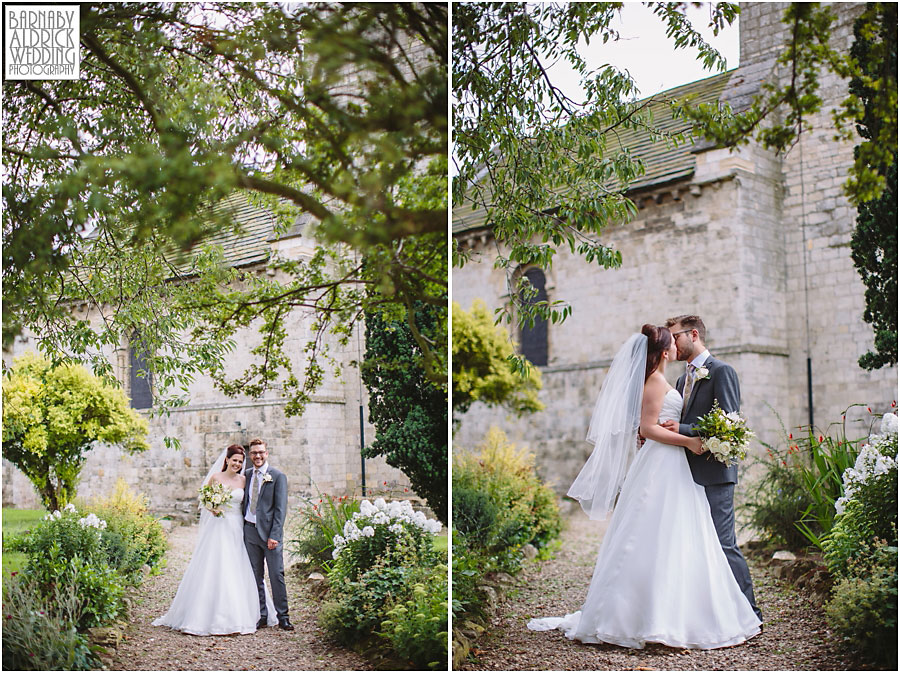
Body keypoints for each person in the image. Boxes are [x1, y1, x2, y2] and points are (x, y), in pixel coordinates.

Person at [528, 325, 760, 649]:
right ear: (665, 351)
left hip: (675, 465)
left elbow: (667, 423)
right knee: (652, 535)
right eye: (672, 341)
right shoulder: (656, 381)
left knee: (676, 537)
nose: (677, 345)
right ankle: (639, 618)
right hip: (664, 462)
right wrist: (690, 441)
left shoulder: (673, 379)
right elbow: (649, 428)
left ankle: (678, 613)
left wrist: (685, 436)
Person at [662, 314, 762, 621]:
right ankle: (711, 616)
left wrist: (683, 428)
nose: (672, 343)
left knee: (724, 544)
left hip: (716, 472)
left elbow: (729, 423)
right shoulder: (681, 380)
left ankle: (750, 613)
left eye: (675, 336)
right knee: (696, 546)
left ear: (693, 334)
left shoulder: (722, 371)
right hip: (685, 474)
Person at [153, 445, 277, 635]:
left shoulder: (244, 480)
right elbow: (204, 500)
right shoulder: (216, 478)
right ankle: (204, 616)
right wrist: (213, 508)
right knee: (215, 564)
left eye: (240, 461)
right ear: (226, 460)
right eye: (234, 460)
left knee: (239, 566)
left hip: (237, 528)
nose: (237, 464)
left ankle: (247, 613)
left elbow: (249, 504)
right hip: (219, 527)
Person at [242, 438, 293, 630]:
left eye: (261, 452)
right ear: (250, 455)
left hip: (270, 535)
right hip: (249, 531)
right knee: (255, 576)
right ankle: (261, 614)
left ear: (267, 453)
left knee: (276, 575)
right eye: (254, 453)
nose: (257, 456)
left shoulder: (277, 476)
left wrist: (275, 536)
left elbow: (280, 510)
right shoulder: (246, 475)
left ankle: (283, 616)